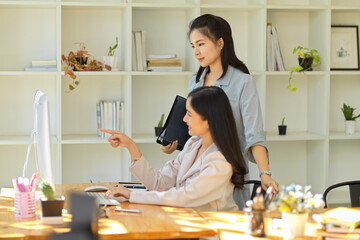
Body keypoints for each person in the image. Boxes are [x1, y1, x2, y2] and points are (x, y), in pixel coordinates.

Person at [160, 14, 279, 208]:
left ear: (220, 42)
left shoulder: (243, 82)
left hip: (227, 175)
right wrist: (174, 143)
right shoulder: (194, 81)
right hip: (195, 175)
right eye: (193, 46)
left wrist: (264, 173)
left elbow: (254, 135)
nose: (196, 52)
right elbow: (195, 128)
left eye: (201, 44)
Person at [101, 86, 247, 212]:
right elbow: (160, 184)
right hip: (185, 224)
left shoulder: (220, 162)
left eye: (189, 114)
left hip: (210, 232)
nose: (184, 119)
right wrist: (131, 146)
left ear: (208, 121)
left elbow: (185, 196)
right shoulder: (193, 144)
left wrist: (132, 195)